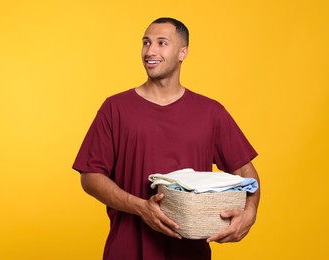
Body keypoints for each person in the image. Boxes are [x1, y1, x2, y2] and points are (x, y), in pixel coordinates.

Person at [73, 17, 260, 260]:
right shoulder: (115, 108)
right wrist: (141, 208)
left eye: (162, 43)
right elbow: (90, 176)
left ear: (183, 52)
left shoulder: (211, 112)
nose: (150, 51)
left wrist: (250, 212)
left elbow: (246, 172)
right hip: (127, 252)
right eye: (146, 43)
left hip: (191, 254)